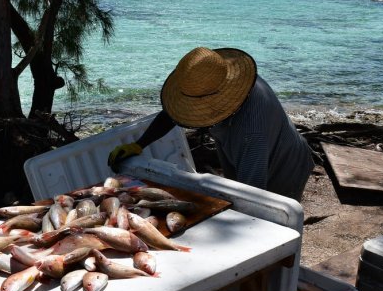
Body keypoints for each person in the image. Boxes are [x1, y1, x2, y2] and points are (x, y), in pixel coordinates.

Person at [107, 46, 315, 201]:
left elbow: (252, 196)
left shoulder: (251, 134)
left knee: (274, 230)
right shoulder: (222, 81)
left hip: (285, 170)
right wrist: (140, 144)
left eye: (201, 109)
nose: (197, 115)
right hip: (246, 156)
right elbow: (174, 115)